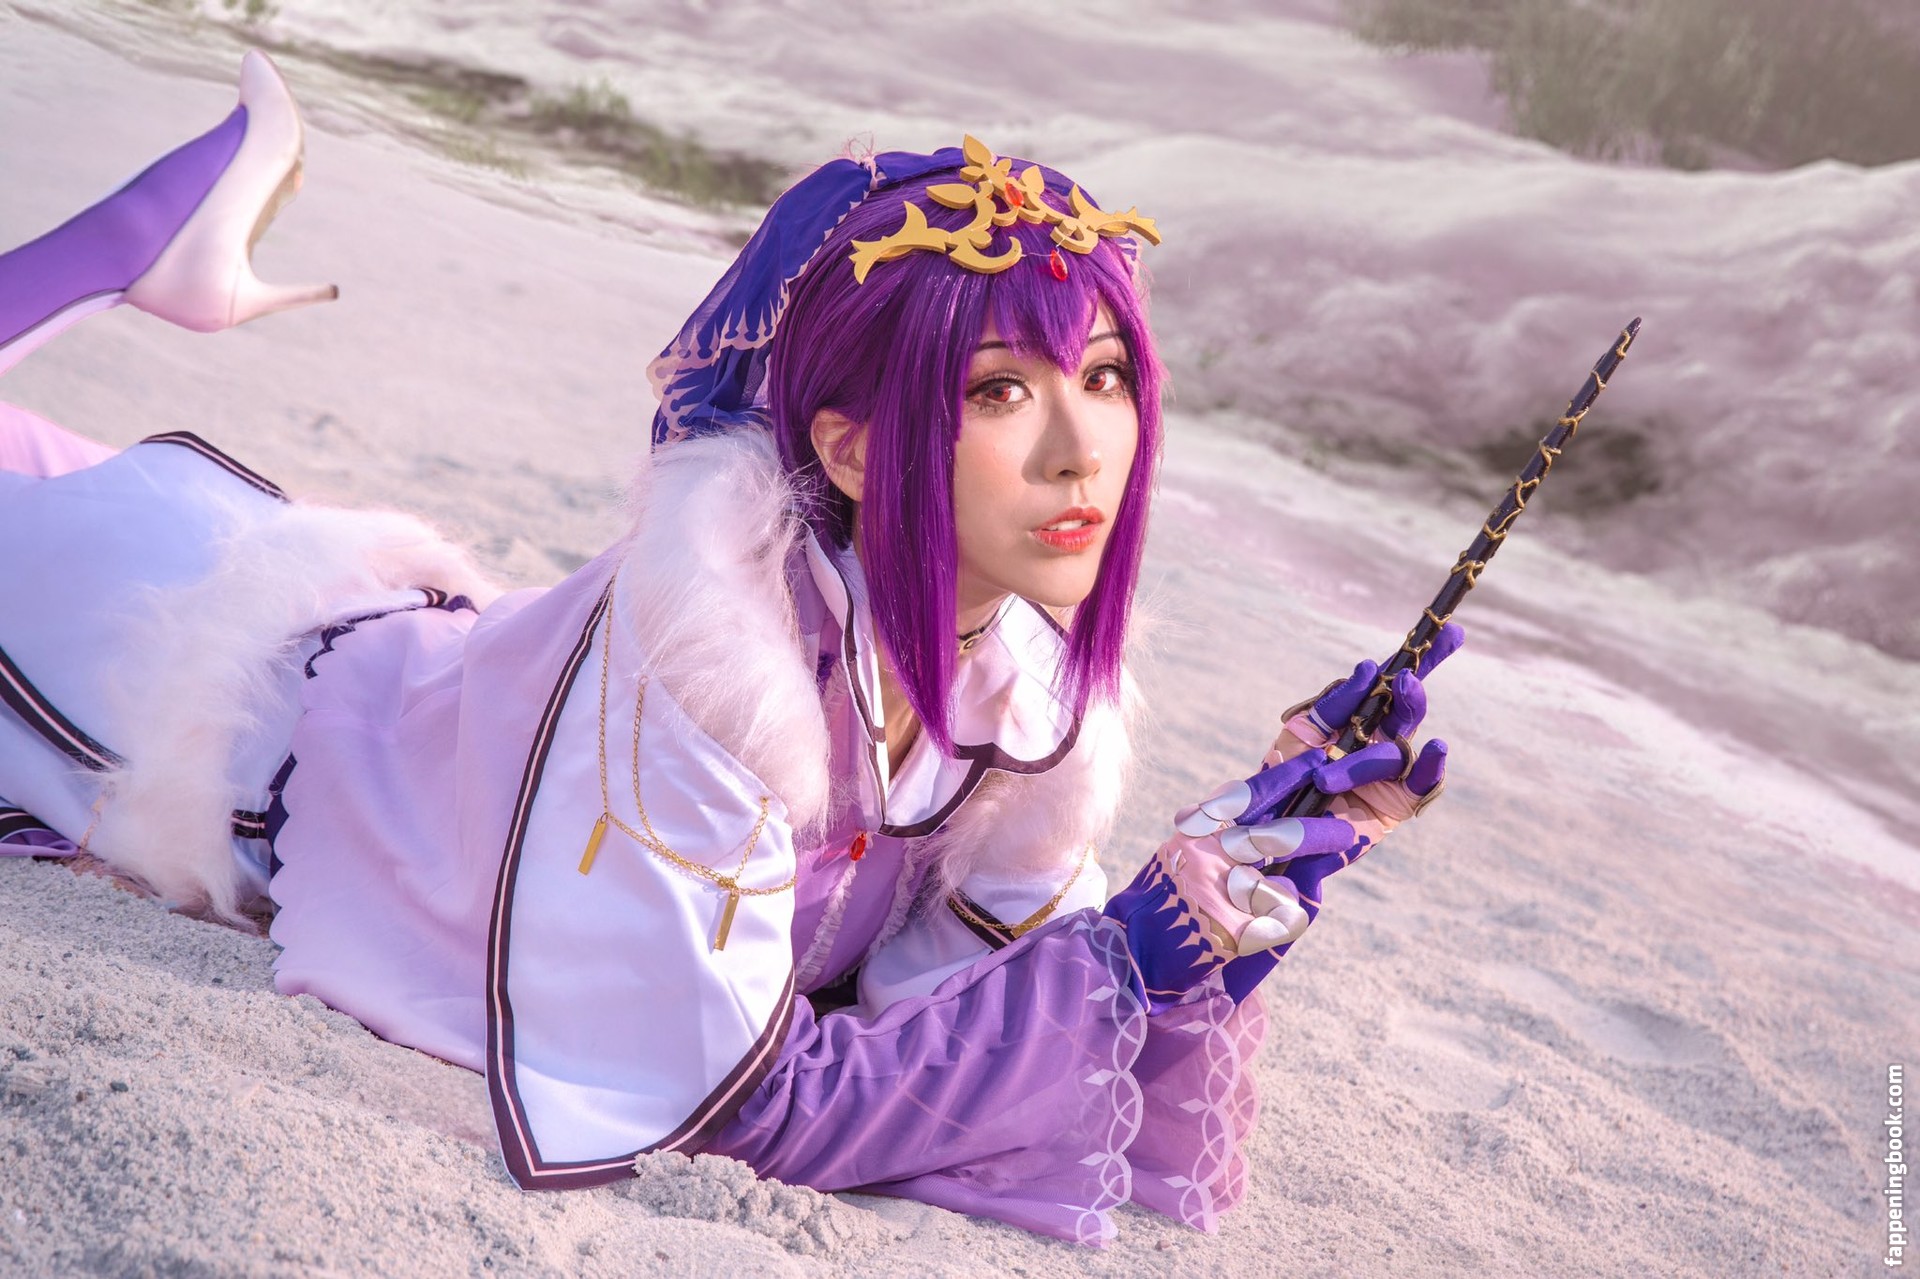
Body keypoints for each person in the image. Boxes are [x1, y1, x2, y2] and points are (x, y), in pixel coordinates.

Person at [0, 54, 1459, 1243]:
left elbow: (978, 1011)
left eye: (1106, 375)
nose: (1084, 449)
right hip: (213, 696)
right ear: (851, 444)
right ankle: (124, 254)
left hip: (408, 674)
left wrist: (1243, 858)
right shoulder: (709, 670)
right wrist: (1135, 949)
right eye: (999, 391)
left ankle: (154, 253)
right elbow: (747, 1102)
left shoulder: (1016, 694)